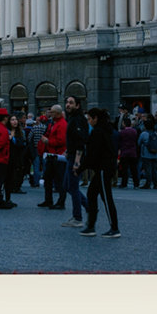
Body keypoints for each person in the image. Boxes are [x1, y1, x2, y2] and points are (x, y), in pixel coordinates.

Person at [77, 108, 121, 237]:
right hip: (105, 167)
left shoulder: (98, 132)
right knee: (92, 193)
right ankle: (91, 226)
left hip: (103, 168)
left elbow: (92, 154)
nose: (89, 121)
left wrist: (80, 168)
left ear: (95, 118)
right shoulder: (108, 130)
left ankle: (114, 227)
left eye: (90, 119)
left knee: (106, 198)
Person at [61, 95, 89, 226]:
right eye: (67, 102)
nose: (68, 105)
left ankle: (77, 218)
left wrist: (77, 161)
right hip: (71, 155)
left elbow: (80, 142)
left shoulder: (77, 119)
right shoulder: (73, 118)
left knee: (73, 186)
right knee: (67, 186)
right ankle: (89, 207)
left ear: (77, 105)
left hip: (76, 157)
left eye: (71, 103)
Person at [37, 105, 67, 208]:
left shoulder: (61, 124)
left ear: (57, 113)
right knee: (48, 179)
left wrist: (48, 141)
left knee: (58, 180)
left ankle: (60, 202)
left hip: (57, 156)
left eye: (52, 112)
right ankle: (48, 200)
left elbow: (61, 141)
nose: (50, 114)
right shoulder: (54, 123)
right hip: (52, 155)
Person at [117, 118, 141, 188]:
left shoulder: (122, 132)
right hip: (133, 152)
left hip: (124, 152)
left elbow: (119, 141)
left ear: (124, 123)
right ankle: (136, 183)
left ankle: (124, 183)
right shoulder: (134, 131)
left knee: (124, 169)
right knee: (134, 169)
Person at [138, 116, 157, 189]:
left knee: (148, 170)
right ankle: (156, 184)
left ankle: (148, 183)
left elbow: (139, 143)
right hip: (155, 154)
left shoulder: (144, 134)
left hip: (146, 154)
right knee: (154, 170)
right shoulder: (155, 133)